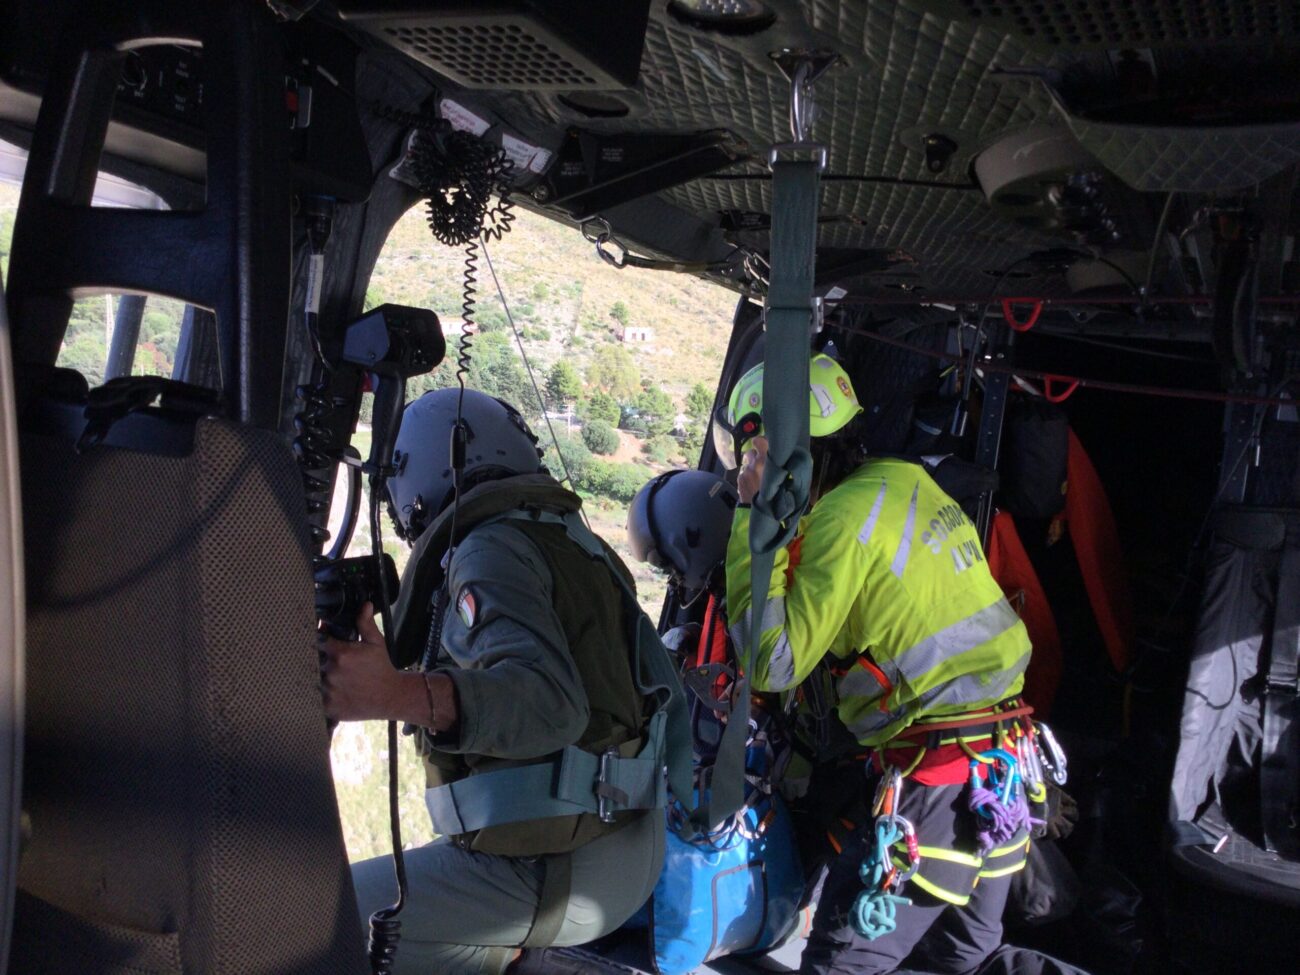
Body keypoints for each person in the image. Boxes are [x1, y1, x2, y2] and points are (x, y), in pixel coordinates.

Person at [319, 388, 666, 975]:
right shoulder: (560, 537)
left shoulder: (490, 551)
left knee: (319, 918)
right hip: (617, 846)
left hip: (557, 866)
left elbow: (551, 706)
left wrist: (391, 695)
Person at [718, 352, 1037, 975]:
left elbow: (772, 664)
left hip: (938, 783)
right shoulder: (903, 480)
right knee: (959, 958)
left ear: (778, 453)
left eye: (751, 454)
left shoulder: (839, 518)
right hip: (1001, 769)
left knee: (841, 962)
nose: (744, 469)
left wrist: (753, 520)